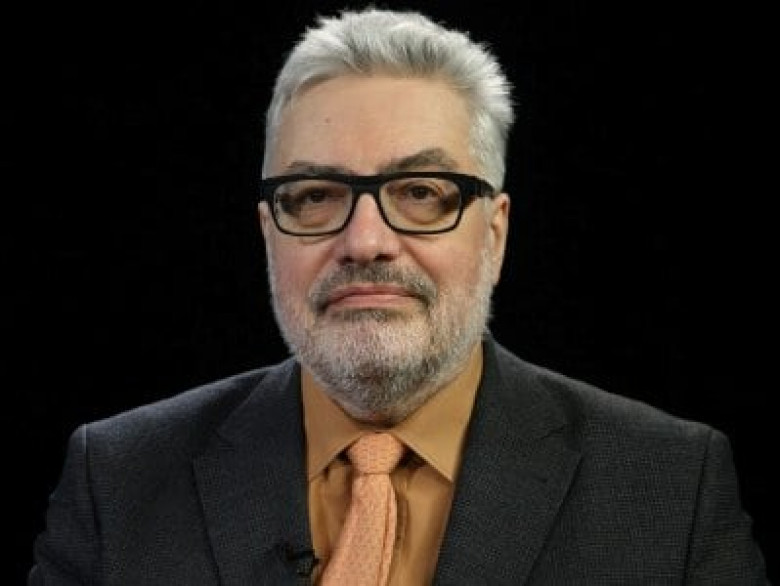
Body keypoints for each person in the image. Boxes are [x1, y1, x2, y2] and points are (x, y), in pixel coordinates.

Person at [30, 7, 769, 585]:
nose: (366, 241)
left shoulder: (670, 488)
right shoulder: (116, 482)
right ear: (268, 233)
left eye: (420, 192)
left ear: (495, 233)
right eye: (315, 195)